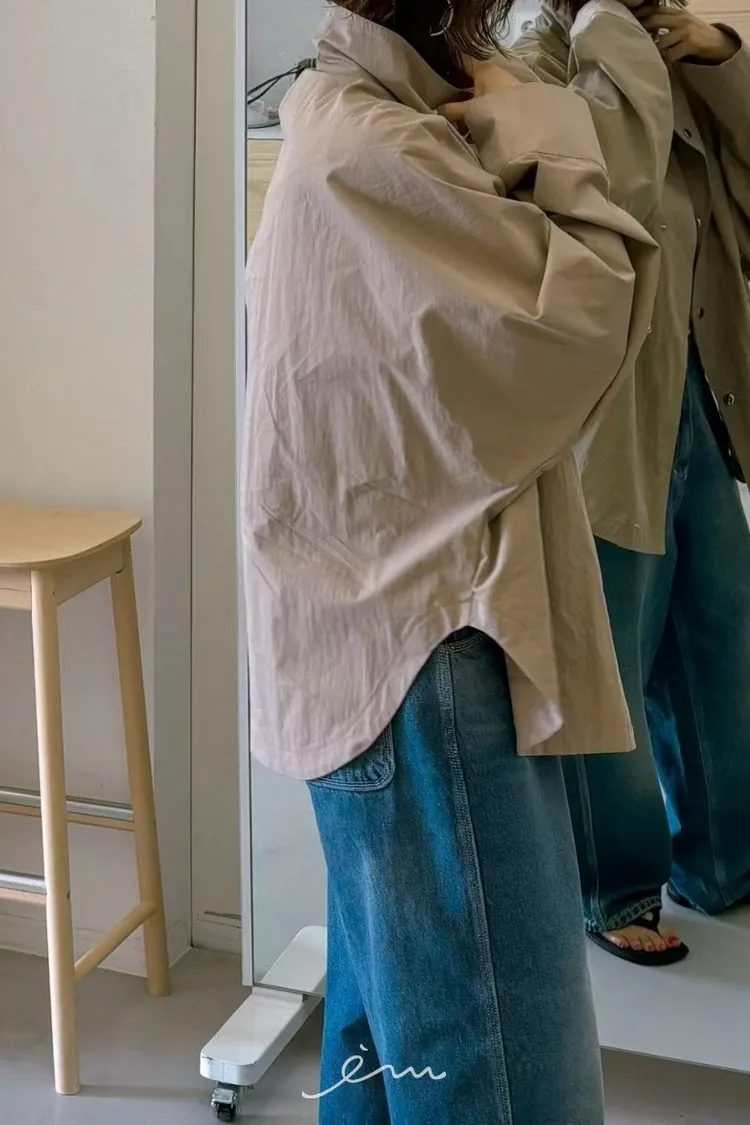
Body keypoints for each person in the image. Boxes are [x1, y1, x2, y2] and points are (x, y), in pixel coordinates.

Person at [241, 1, 659, 1120]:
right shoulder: (381, 150)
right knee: (510, 1085)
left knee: (392, 1052)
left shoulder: (342, 119)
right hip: (431, 659)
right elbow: (591, 314)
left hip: (387, 647)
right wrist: (541, 120)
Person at [515, 0, 750, 966]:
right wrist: (609, 26)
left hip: (697, 388)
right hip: (608, 414)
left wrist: (720, 53)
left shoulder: (669, 58)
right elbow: (616, 183)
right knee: (611, 648)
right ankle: (612, 883)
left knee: (719, 630)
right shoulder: (535, 54)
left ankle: (724, 859)